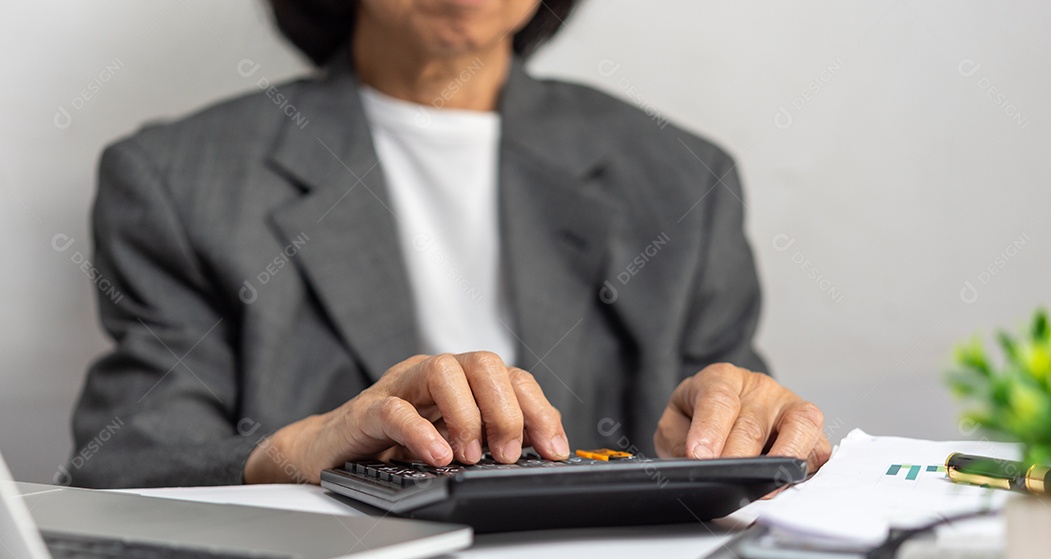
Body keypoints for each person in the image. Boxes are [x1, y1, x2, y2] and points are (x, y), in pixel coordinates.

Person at [68, 0, 831, 488]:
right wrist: (306, 448)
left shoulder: (678, 177)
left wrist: (743, 424)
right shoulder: (177, 176)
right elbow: (128, 457)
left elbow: (736, 445)